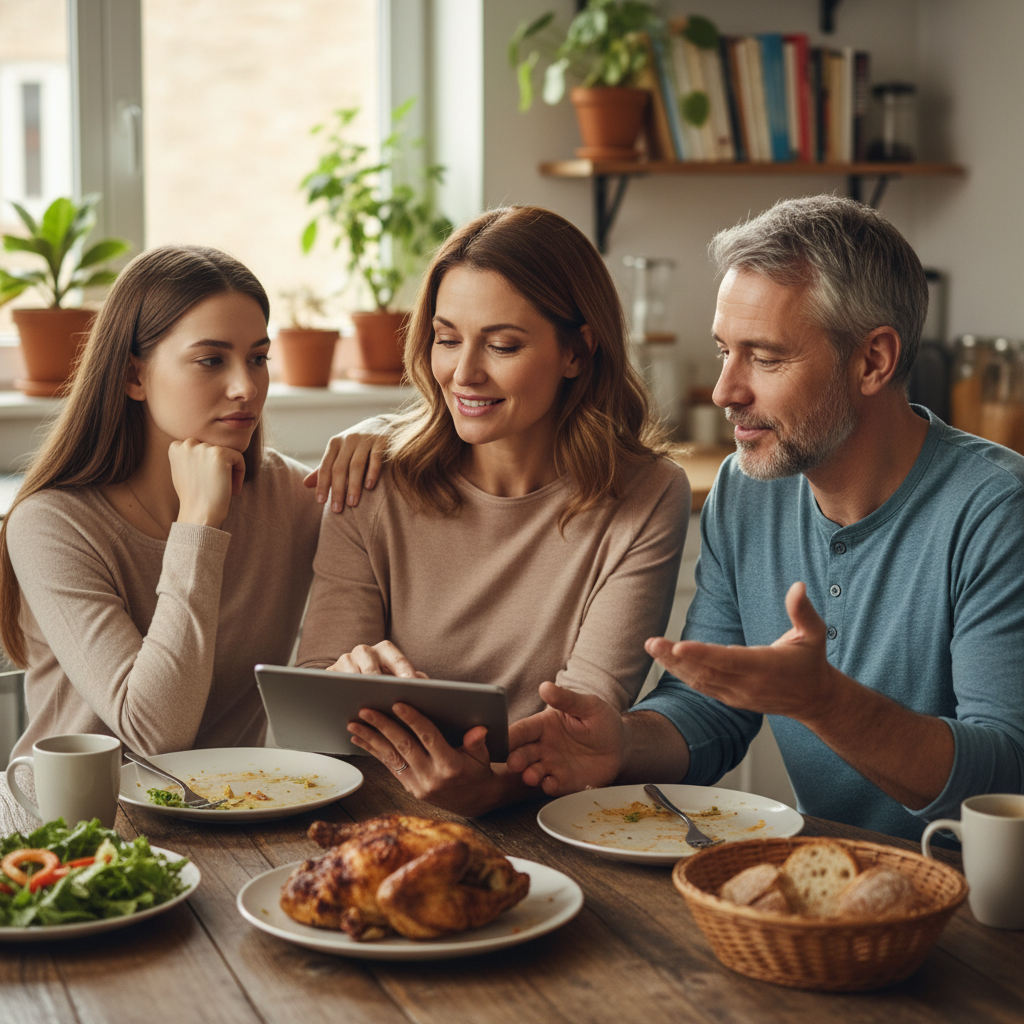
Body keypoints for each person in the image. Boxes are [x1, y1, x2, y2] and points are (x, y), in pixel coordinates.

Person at [507, 194, 1024, 842]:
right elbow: (711, 708)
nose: (725, 390)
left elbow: (1008, 781)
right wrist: (622, 743)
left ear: (873, 361)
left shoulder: (996, 511)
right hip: (826, 887)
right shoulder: (747, 488)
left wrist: (824, 702)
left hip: (982, 911)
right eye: (724, 350)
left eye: (766, 357)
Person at [296, 205, 691, 817]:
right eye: (447, 339)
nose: (464, 373)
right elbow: (316, 709)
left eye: (503, 345)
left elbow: (579, 729)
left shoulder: (645, 494)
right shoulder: (372, 480)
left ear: (577, 352)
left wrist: (490, 790)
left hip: (551, 822)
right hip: (373, 815)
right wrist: (345, 675)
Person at [0, 245, 323, 770]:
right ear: (134, 376)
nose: (246, 387)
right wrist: (198, 524)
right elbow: (154, 731)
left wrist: (376, 432)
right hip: (82, 832)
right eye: (211, 360)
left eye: (258, 358)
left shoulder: (287, 496)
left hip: (235, 819)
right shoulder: (50, 525)